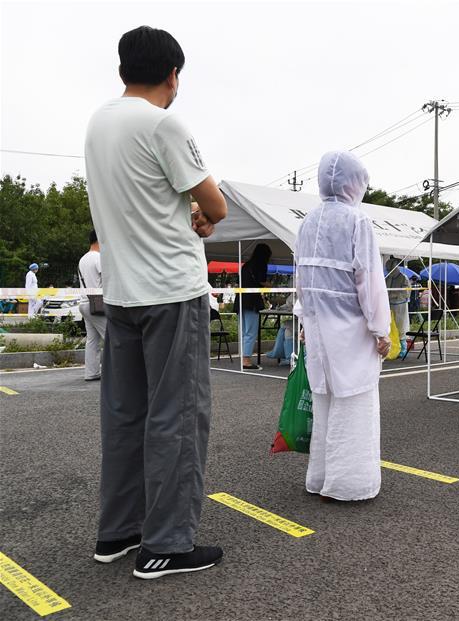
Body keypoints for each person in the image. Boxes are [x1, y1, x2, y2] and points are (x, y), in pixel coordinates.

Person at [84, 26, 227, 579]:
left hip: (120, 293)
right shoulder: (164, 122)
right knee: (178, 416)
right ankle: (166, 544)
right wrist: (202, 217)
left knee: (125, 416)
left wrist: (188, 212)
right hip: (171, 291)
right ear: (173, 74)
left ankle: (118, 531)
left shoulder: (98, 122)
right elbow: (214, 202)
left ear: (124, 69)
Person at [294, 151, 390, 501]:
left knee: (324, 401)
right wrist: (381, 329)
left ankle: (319, 476)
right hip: (351, 329)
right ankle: (350, 484)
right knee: (355, 403)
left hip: (318, 326)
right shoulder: (357, 221)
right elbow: (369, 279)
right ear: (355, 183)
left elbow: (301, 279)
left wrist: (305, 319)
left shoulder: (306, 222)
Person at [236, 243, 271, 370]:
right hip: (252, 301)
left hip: (240, 300)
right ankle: (246, 360)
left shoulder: (246, 265)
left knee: (244, 331)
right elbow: (262, 280)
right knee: (251, 332)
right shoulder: (261, 264)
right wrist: (270, 285)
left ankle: (244, 358)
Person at [78, 230, 106, 381]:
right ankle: (115, 373)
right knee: (112, 337)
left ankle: (91, 372)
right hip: (98, 304)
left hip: (84, 303)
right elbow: (108, 279)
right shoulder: (99, 258)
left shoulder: (83, 259)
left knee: (92, 340)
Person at [385, 257, 410, 357]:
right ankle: (392, 348)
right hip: (389, 306)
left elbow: (406, 292)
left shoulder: (403, 278)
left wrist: (394, 295)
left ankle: (402, 348)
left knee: (401, 326)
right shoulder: (388, 278)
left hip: (400, 306)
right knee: (390, 326)